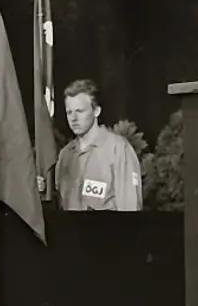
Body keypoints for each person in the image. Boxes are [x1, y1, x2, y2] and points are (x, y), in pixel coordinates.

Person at [38, 79, 142, 211]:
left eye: (80, 111)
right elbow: (60, 205)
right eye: (69, 112)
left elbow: (130, 210)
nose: (73, 118)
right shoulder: (65, 156)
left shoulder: (118, 150)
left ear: (96, 111)